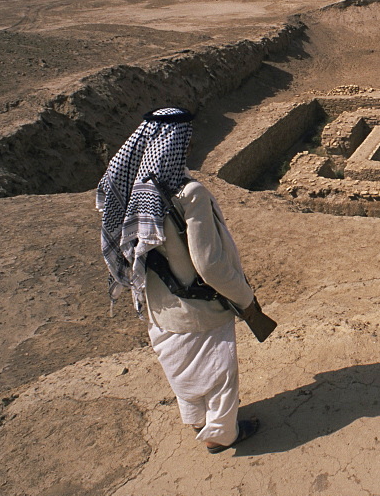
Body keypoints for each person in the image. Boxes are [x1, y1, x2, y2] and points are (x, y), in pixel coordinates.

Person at [97, 107, 260, 454]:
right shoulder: (189, 194)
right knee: (218, 373)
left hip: (158, 305)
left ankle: (199, 421)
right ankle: (221, 435)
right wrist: (244, 298)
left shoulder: (132, 192)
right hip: (198, 306)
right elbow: (210, 264)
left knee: (183, 369)